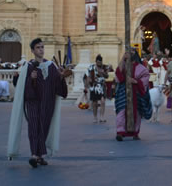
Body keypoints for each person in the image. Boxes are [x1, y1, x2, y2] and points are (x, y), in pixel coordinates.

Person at [7, 38, 72, 168]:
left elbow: (57, 86)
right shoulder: (28, 67)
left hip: (48, 102)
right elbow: (20, 87)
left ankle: (40, 155)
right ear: (32, 50)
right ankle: (34, 155)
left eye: (42, 47)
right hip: (32, 102)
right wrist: (30, 80)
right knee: (33, 127)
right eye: (38, 47)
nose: (41, 50)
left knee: (44, 127)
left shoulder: (51, 66)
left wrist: (61, 76)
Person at [114, 48, 151, 141]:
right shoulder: (123, 64)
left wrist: (135, 81)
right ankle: (120, 132)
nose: (130, 53)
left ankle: (135, 132)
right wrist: (123, 58)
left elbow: (146, 77)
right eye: (128, 52)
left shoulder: (141, 68)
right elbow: (118, 74)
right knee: (121, 111)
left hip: (136, 92)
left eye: (133, 51)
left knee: (137, 112)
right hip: (123, 92)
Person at [87, 55, 111, 123]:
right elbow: (88, 76)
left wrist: (103, 72)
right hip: (94, 86)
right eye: (98, 62)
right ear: (96, 61)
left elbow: (107, 76)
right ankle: (95, 117)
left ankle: (102, 117)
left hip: (102, 86)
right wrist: (88, 83)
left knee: (103, 101)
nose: (99, 63)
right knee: (94, 103)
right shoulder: (91, 67)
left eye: (100, 62)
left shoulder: (104, 67)